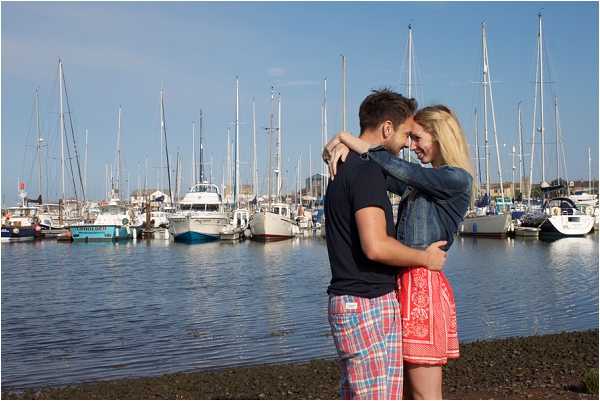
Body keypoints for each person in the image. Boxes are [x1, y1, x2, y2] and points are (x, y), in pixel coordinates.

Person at [325, 104, 475, 399]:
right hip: (402, 284)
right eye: (410, 137)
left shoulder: (456, 179)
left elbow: (400, 170)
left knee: (424, 394)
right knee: (399, 390)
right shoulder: (423, 183)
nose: (411, 145)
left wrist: (348, 138)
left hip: (423, 287)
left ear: (440, 136)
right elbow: (385, 172)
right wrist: (349, 150)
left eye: (418, 138)